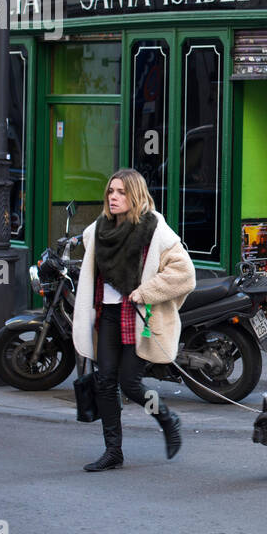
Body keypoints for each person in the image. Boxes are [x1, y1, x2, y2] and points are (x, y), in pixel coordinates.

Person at [72, 168, 196, 472]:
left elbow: (185, 275)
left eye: (121, 192)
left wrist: (146, 291)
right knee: (104, 381)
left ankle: (167, 418)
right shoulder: (98, 230)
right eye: (111, 192)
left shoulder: (155, 231)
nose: (113, 197)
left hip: (138, 315)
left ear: (135, 195)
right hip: (108, 313)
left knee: (130, 383)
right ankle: (113, 451)